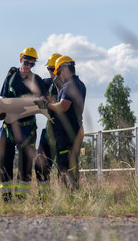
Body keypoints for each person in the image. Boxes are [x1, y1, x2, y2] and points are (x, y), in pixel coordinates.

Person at [0, 47, 47, 200]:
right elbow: (3, 99)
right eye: (26, 63)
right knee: (4, 162)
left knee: (25, 164)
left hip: (28, 128)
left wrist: (41, 102)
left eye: (32, 64)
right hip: (9, 127)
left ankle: (21, 198)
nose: (28, 67)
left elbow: (44, 100)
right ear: (20, 60)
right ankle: (6, 197)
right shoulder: (11, 78)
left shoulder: (36, 80)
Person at [47, 55, 86, 189]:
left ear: (64, 69)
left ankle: (67, 193)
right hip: (76, 130)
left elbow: (63, 106)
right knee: (72, 162)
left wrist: (47, 105)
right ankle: (73, 193)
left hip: (67, 133)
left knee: (64, 164)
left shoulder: (69, 85)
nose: (58, 76)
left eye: (58, 72)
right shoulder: (80, 84)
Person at [34, 53, 61, 198]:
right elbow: (34, 81)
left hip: (63, 132)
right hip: (49, 129)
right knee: (40, 164)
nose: (51, 72)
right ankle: (44, 197)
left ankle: (66, 198)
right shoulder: (47, 83)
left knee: (64, 168)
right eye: (50, 69)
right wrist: (17, 74)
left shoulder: (71, 87)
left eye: (53, 69)